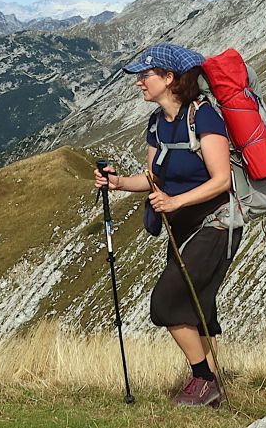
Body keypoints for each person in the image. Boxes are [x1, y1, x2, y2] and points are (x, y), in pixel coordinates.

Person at [93, 43, 240, 407]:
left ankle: (204, 380)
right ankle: (216, 387)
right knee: (197, 304)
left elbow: (222, 180)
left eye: (146, 76)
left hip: (217, 223)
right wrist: (119, 183)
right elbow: (153, 176)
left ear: (169, 78)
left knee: (167, 302)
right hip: (184, 227)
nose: (139, 83)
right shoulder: (158, 122)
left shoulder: (203, 117)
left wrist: (175, 202)